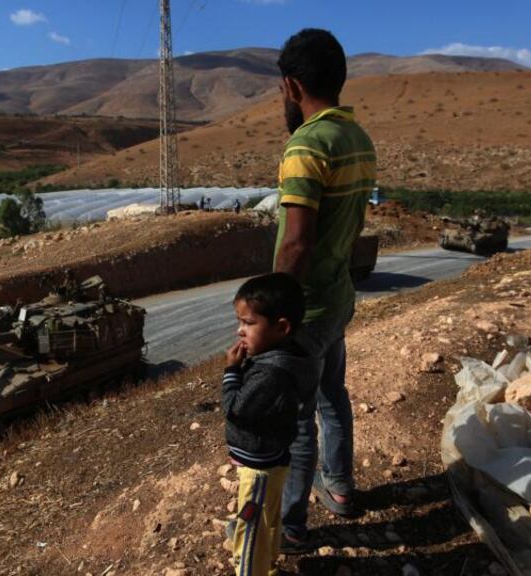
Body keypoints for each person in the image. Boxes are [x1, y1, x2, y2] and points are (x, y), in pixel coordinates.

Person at [272, 28, 377, 551]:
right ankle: (337, 489)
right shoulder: (358, 139)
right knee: (332, 396)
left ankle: (289, 527)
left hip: (305, 307)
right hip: (338, 296)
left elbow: (295, 244)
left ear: (291, 86)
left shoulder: (307, 144)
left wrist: (271, 316)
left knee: (296, 418)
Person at [223, 273, 318, 576]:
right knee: (270, 517)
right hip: (273, 459)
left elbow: (235, 410)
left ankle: (252, 570)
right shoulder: (289, 355)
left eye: (249, 324)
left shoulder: (270, 374)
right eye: (240, 322)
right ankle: (269, 561)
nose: (240, 331)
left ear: (281, 327)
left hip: (259, 468)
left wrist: (231, 372)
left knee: (251, 528)